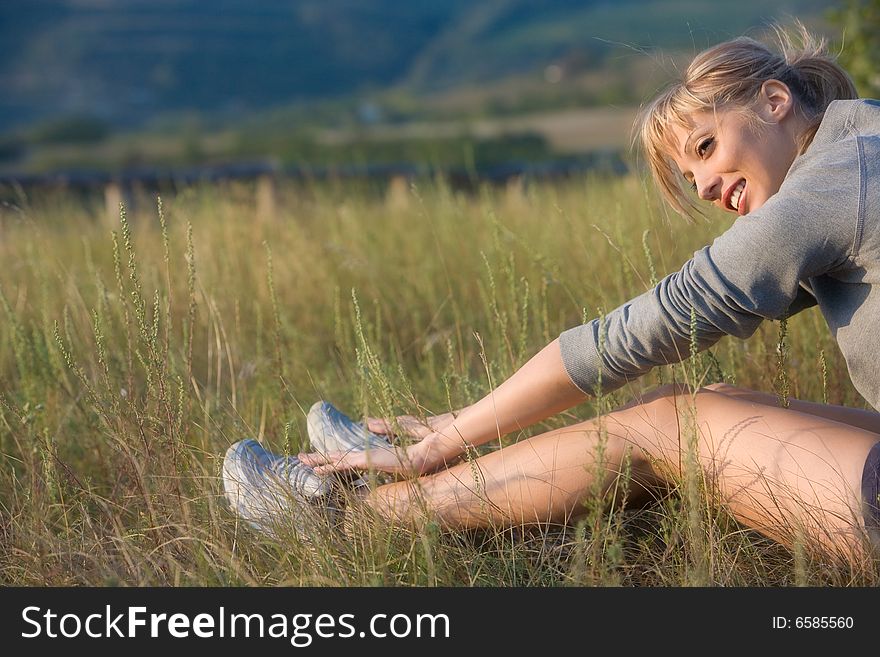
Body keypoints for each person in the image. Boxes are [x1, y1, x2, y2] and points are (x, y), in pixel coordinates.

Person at [222, 25, 880, 563]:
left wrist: (437, 444)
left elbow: (640, 332)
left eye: (707, 147)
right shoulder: (861, 144)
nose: (705, 187)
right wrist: (462, 420)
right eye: (691, 174)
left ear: (774, 101)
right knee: (704, 402)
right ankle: (398, 481)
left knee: (669, 428)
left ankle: (345, 518)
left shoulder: (828, 184)